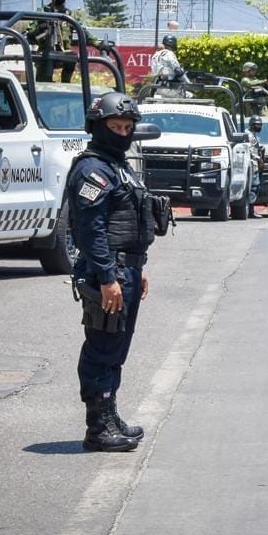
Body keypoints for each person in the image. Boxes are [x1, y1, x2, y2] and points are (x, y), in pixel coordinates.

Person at [68, 93, 158, 452]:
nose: (122, 133)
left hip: (127, 269)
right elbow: (90, 229)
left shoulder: (118, 165)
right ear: (97, 127)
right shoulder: (93, 169)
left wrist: (140, 266)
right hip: (108, 273)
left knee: (117, 346)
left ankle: (110, 414)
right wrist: (107, 277)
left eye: (127, 128)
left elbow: (129, 221)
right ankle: (98, 427)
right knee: (103, 346)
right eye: (115, 127)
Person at [28, 0, 103, 84]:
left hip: (64, 53)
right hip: (45, 53)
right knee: (43, 83)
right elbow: (29, 33)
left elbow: (83, 32)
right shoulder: (42, 12)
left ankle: (66, 83)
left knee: (71, 60)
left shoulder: (69, 15)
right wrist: (40, 28)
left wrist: (99, 45)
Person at [246, 115, 265, 217]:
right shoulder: (249, 135)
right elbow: (248, 150)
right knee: (253, 187)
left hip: (255, 164)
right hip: (252, 164)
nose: (259, 126)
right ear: (252, 125)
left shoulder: (254, 135)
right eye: (257, 124)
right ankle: (250, 211)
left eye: (260, 124)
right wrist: (259, 159)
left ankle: (250, 210)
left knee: (255, 187)